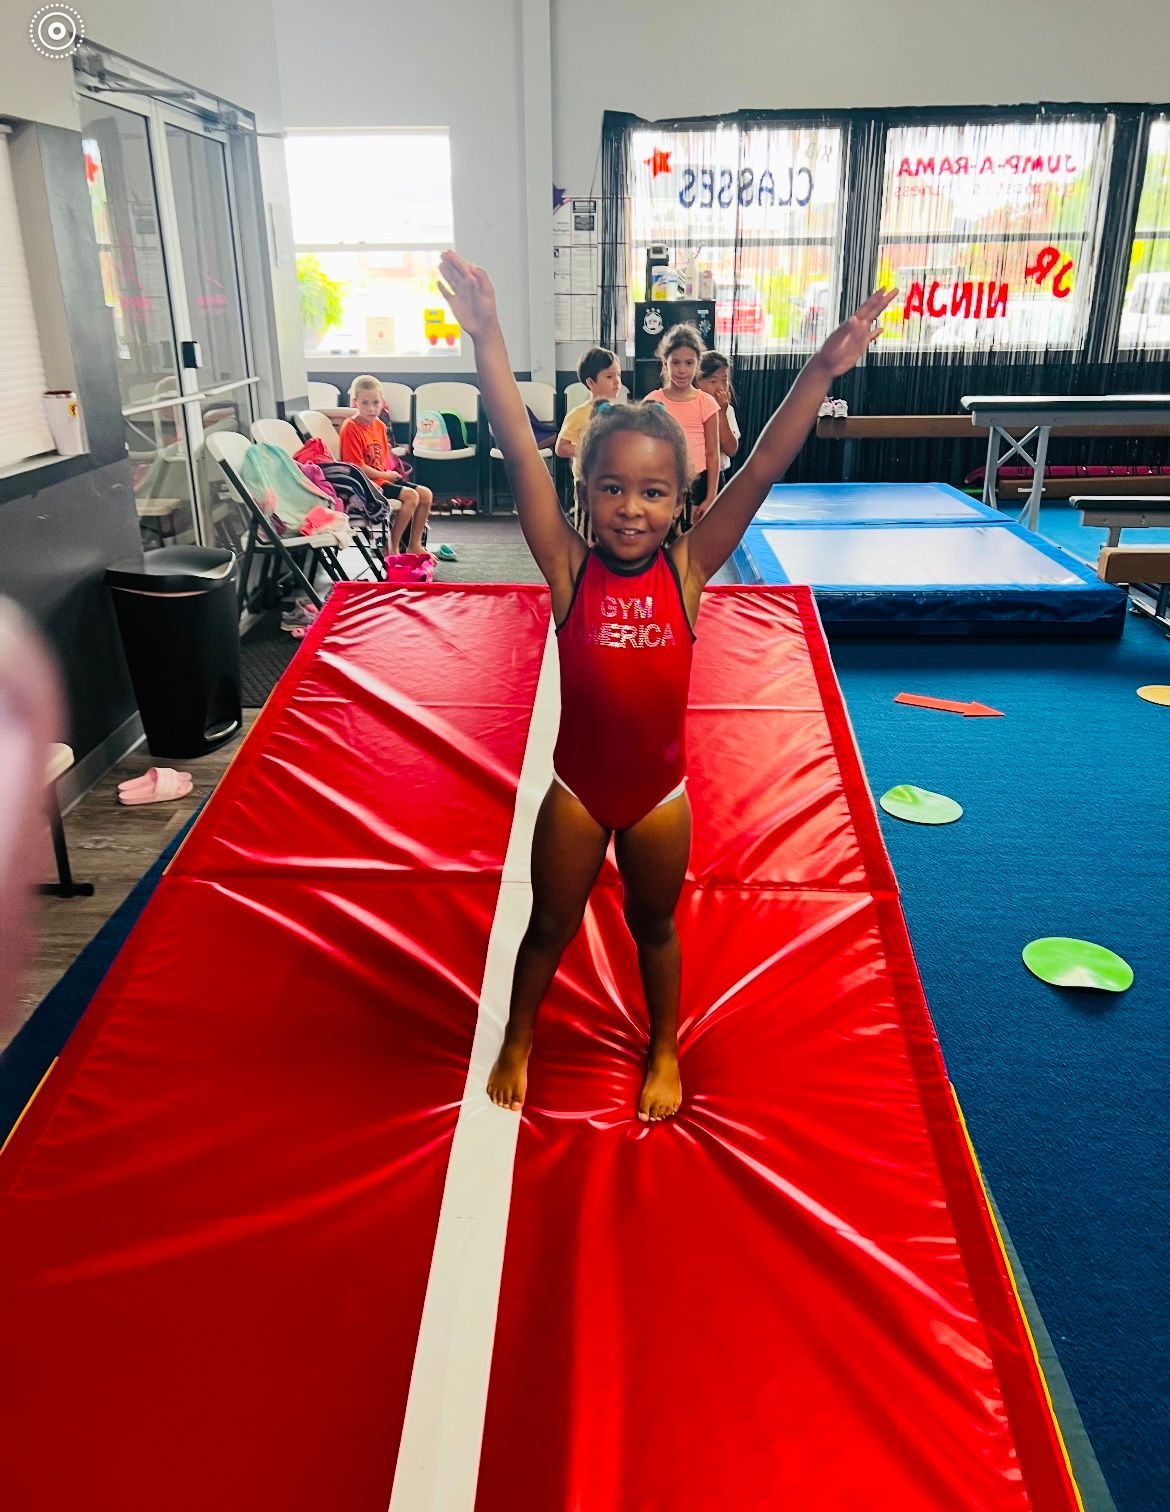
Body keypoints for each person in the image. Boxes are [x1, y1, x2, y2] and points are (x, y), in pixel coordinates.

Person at [438, 249, 895, 1124]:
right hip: (575, 793)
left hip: (659, 798)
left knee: (656, 929)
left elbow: (759, 467)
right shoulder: (569, 570)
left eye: (653, 492)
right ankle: (520, 1035)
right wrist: (488, 336)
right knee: (548, 929)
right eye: (612, 489)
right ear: (586, 492)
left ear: (679, 500)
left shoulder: (686, 573)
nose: (632, 508)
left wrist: (822, 368)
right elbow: (515, 448)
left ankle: (663, 1047)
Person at [338, 375, 434, 556]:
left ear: (382, 402)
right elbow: (356, 468)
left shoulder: (380, 426)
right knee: (411, 496)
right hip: (365, 485)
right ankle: (392, 546)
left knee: (426, 494)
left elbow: (381, 461)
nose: (371, 408)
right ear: (354, 402)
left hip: (381, 479)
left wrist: (389, 473)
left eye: (375, 402)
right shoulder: (350, 427)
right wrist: (388, 476)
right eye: (365, 403)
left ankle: (414, 545)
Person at [643, 324, 720, 525]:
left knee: (691, 542)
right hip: (662, 481)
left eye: (688, 363)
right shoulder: (653, 401)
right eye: (675, 362)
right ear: (664, 362)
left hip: (697, 484)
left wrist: (711, 496)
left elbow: (713, 452)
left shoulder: (706, 402)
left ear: (697, 363)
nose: (682, 370)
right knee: (664, 536)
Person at [555, 346, 623, 470]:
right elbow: (561, 448)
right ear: (590, 383)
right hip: (586, 480)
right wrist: (590, 452)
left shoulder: (619, 413)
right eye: (609, 377)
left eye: (618, 375)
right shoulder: (578, 414)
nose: (617, 381)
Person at [697, 349, 740, 488]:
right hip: (691, 476)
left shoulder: (727, 410)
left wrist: (721, 413)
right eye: (713, 381)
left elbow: (731, 449)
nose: (720, 387)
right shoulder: (691, 407)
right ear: (697, 381)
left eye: (724, 380)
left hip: (717, 477)